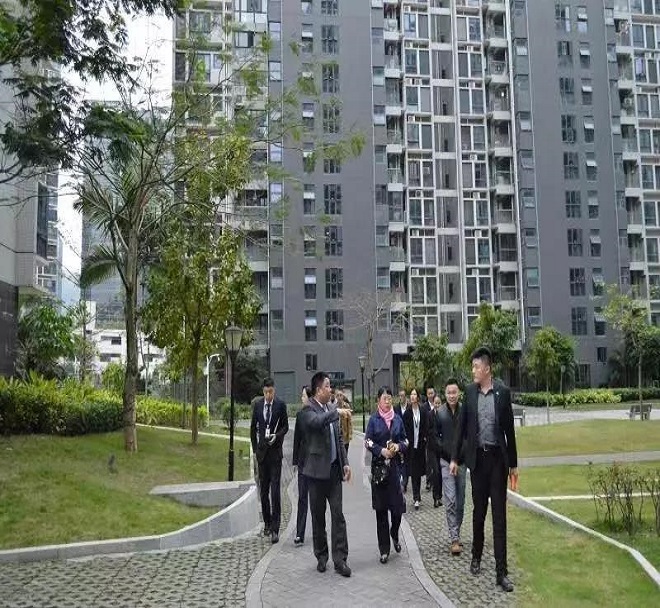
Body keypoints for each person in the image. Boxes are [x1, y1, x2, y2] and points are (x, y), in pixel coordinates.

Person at [450, 347, 518, 593]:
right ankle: (476, 556)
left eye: (476, 367)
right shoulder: (470, 392)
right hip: (477, 462)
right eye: (473, 367)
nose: (473, 371)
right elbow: (461, 428)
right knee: (479, 513)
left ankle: (502, 572)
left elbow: (509, 431)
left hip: (498, 462)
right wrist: (454, 458)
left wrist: (513, 465)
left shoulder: (503, 393)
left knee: (499, 517)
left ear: (487, 369)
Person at [300, 371, 352, 577]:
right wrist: (336, 412)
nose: (331, 390)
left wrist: (345, 463)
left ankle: (341, 560)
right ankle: (321, 556)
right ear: (318, 389)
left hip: (334, 471)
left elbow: (338, 438)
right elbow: (316, 422)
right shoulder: (308, 410)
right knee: (318, 517)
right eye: (328, 386)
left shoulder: (331, 409)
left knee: (338, 515)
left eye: (330, 386)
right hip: (315, 475)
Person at [365, 386, 408, 563]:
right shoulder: (373, 420)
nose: (388, 401)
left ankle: (394, 533)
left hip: (395, 470)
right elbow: (367, 441)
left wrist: (398, 446)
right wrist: (380, 450)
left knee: (398, 508)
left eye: (390, 398)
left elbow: (405, 440)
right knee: (381, 510)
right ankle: (384, 549)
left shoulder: (397, 419)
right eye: (384, 398)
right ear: (378, 400)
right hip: (379, 471)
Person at [250, 377, 289, 544]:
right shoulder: (258, 406)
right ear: (263, 391)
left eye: (270, 392)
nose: (268, 395)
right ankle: (266, 523)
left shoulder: (280, 405)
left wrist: (277, 436)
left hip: (275, 454)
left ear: (274, 390)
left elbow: (285, 427)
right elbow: (253, 428)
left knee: (275, 492)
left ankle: (275, 529)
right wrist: (255, 450)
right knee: (263, 492)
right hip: (262, 455)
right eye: (266, 392)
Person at [437, 378, 467, 555]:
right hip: (446, 463)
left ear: (459, 393)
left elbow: (469, 436)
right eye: (449, 393)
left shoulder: (465, 412)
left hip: (462, 462)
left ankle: (457, 530)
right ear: (445, 394)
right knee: (450, 500)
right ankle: (454, 538)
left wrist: (461, 454)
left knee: (461, 502)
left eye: (454, 392)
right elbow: (435, 437)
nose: (452, 396)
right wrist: (446, 453)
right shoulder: (440, 413)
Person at [402, 388, 428, 510]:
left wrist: (425, 438)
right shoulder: (407, 413)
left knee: (418, 471)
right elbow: (404, 430)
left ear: (418, 397)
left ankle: (418, 495)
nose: (412, 396)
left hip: (420, 446)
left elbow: (426, 426)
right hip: (411, 447)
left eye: (414, 394)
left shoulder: (422, 411)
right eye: (411, 394)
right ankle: (416, 497)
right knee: (413, 472)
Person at [292, 385, 312, 546]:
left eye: (304, 395)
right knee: (302, 498)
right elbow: (296, 439)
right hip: (303, 463)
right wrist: (295, 461)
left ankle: (319, 531)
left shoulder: (318, 414)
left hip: (317, 464)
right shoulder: (300, 416)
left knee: (317, 500)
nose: (302, 398)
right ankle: (300, 533)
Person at [429, 395, 444, 508]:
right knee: (436, 472)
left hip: (442, 449)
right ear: (433, 403)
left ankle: (439, 496)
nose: (437, 405)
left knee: (441, 473)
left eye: (439, 403)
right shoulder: (429, 415)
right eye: (436, 403)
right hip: (432, 448)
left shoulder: (444, 415)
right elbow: (427, 430)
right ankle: (435, 497)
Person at [394, 389, 409, 492]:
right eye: (399, 396)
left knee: (406, 461)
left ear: (405, 396)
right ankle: (401, 481)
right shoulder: (396, 408)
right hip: (398, 438)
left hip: (408, 438)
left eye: (402, 396)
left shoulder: (409, 408)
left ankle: (405, 481)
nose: (401, 398)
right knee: (400, 461)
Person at [422, 387, 435, 491]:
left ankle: (436, 480)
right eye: (429, 393)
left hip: (437, 437)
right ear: (427, 395)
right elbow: (423, 423)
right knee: (428, 461)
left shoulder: (437, 404)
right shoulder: (424, 407)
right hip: (428, 438)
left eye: (432, 393)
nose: (430, 395)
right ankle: (429, 481)